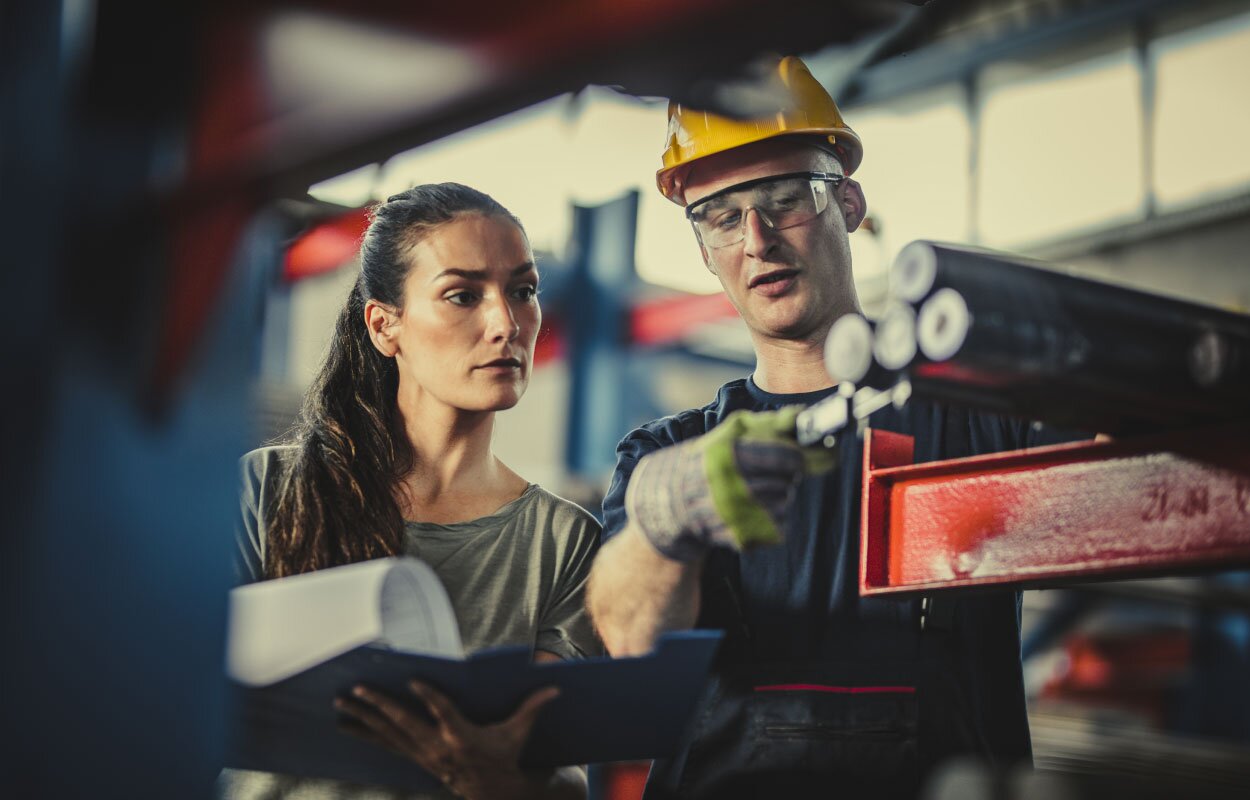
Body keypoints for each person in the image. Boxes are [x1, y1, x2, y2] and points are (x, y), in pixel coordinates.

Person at [586, 56, 1079, 799]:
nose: (757, 239)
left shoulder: (981, 419)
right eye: (721, 217)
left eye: (785, 198)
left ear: (847, 202)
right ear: (702, 247)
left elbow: (1144, 487)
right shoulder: (669, 454)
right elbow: (627, 640)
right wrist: (665, 519)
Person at [221, 183, 599, 800]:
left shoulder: (565, 542)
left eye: (523, 290)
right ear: (384, 325)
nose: (506, 323)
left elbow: (557, 776)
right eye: (462, 295)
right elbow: (176, 699)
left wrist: (491, 776)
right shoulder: (271, 489)